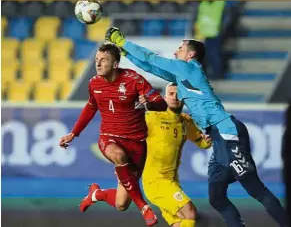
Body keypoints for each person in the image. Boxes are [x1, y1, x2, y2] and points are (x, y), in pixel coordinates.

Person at [105, 27, 289, 227]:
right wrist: (126, 53)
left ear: (190, 54)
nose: (176, 52)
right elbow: (151, 68)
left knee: (255, 189)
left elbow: (152, 58)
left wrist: (121, 41)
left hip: (226, 131)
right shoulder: (182, 76)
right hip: (218, 139)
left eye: (180, 48)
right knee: (216, 197)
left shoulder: (189, 68)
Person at [59, 43, 167, 226]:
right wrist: (73, 133)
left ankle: (95, 194)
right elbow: (91, 107)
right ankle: (144, 207)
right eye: (96, 60)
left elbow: (162, 104)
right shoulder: (94, 83)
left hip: (137, 143)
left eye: (103, 60)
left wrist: (149, 104)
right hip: (109, 137)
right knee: (118, 155)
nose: (98, 64)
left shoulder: (134, 80)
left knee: (121, 203)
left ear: (115, 64)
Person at [143, 82, 212, 227]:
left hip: (172, 182)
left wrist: (207, 141)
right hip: (155, 182)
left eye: (178, 94)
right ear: (164, 98)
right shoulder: (152, 117)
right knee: (190, 213)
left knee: (180, 222)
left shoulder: (186, 121)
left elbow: (201, 142)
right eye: (171, 94)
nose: (174, 97)